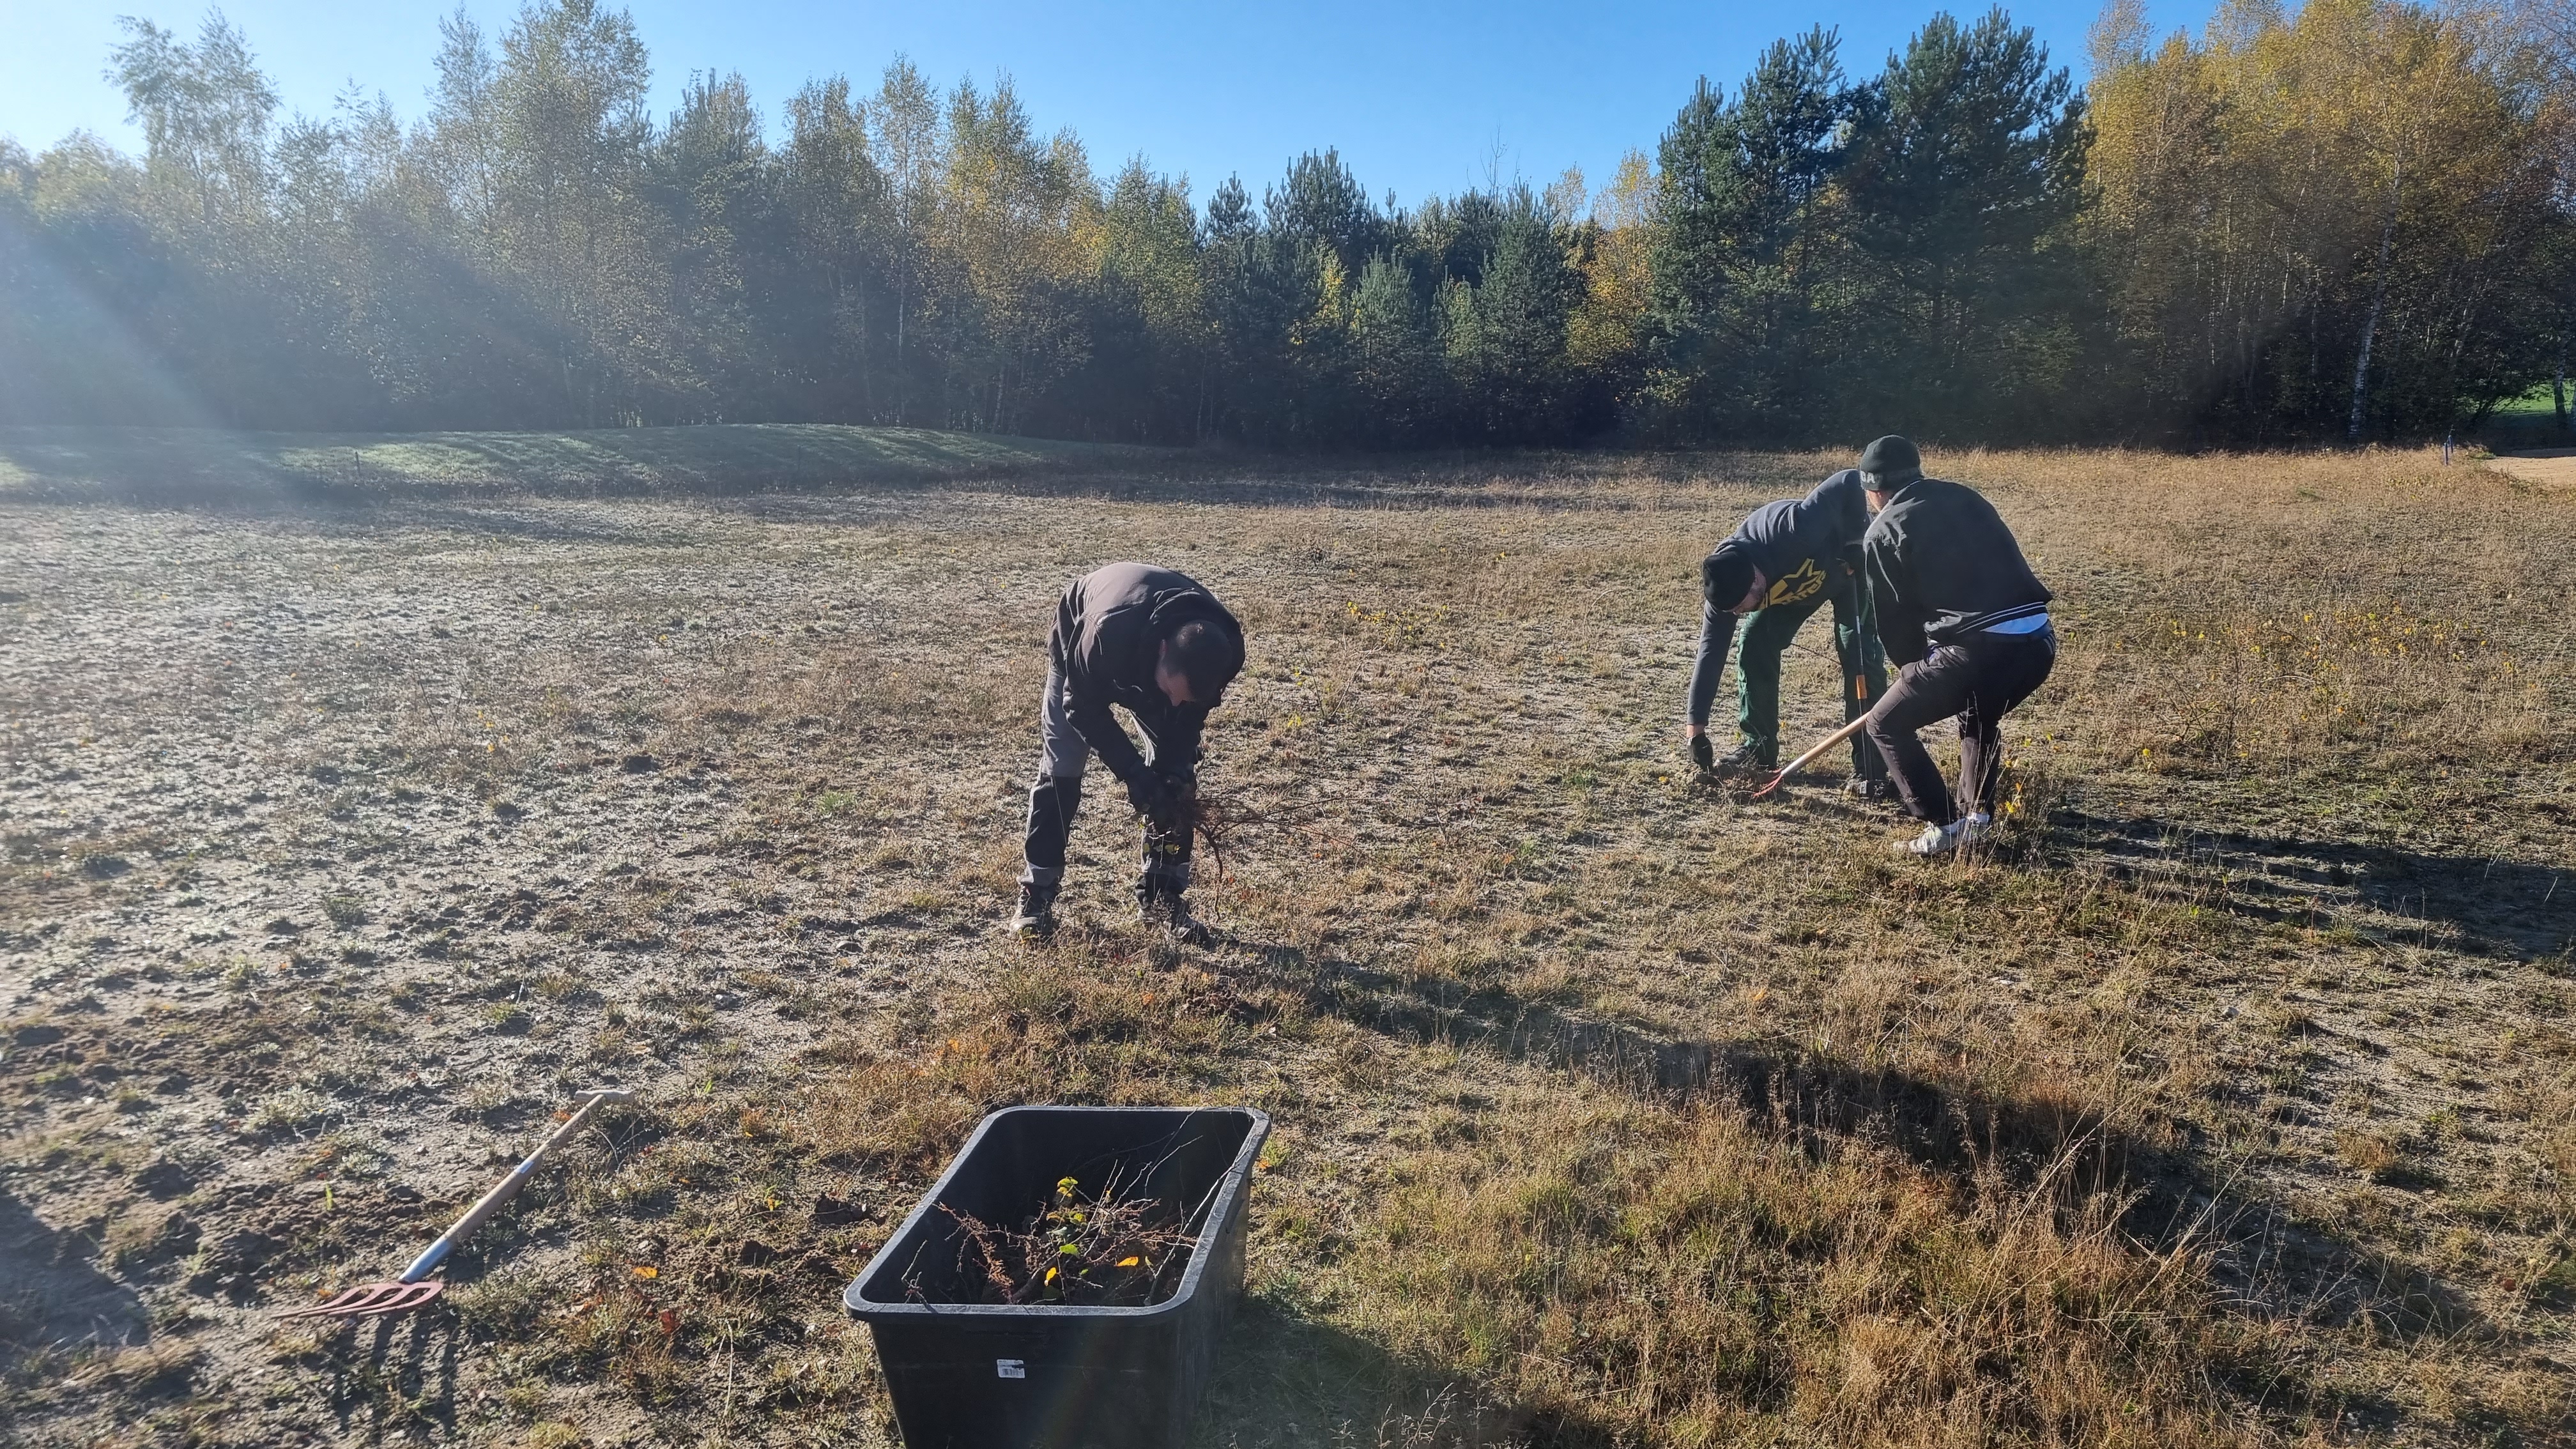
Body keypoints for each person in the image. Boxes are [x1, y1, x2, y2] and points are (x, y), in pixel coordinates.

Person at [1011, 562, 1245, 943]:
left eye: (1184, 698)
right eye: (1173, 691)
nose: (1172, 703)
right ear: (1163, 650)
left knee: (1179, 781)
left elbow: (1188, 716)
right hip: (1083, 640)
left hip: (1149, 663)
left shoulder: (1225, 651)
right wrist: (1134, 774)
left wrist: (1169, 773)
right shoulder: (1106, 633)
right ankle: (1036, 896)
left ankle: (1161, 899)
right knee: (1062, 770)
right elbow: (1081, 708)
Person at [1853, 435, 2056, 857]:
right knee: (1980, 714)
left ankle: (1944, 826)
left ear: (1873, 489)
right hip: (2038, 641)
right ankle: (1976, 817)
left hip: (1981, 649)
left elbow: (1892, 618)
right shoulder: (1966, 497)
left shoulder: (1883, 530)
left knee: (1885, 723)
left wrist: (1913, 670)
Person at [1683, 469, 1890, 795]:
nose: (1737, 614)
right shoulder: (1726, 587)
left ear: (1755, 580)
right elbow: (1710, 652)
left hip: (1845, 571)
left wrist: (1854, 540)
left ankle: (1872, 765)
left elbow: (1849, 480)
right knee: (1754, 644)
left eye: (1743, 606)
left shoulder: (1792, 529)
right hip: (1796, 590)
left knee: (1859, 652)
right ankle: (1759, 749)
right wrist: (1696, 729)